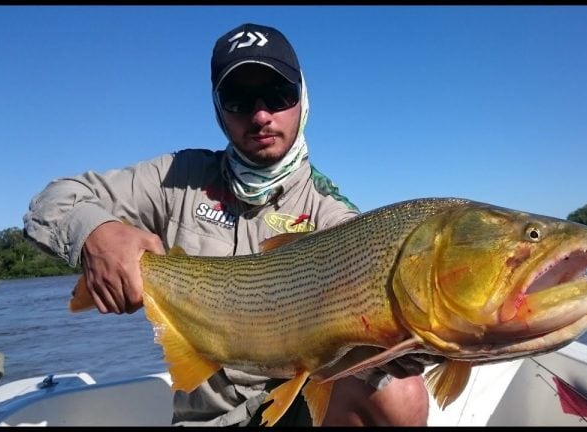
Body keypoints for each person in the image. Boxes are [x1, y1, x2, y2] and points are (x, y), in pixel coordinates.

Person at [23, 22, 431, 426]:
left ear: (303, 98)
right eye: (239, 99)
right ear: (218, 110)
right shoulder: (177, 177)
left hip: (296, 407)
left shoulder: (331, 213)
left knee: (401, 393)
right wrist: (95, 233)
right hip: (203, 419)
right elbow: (52, 201)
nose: (261, 114)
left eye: (278, 94)